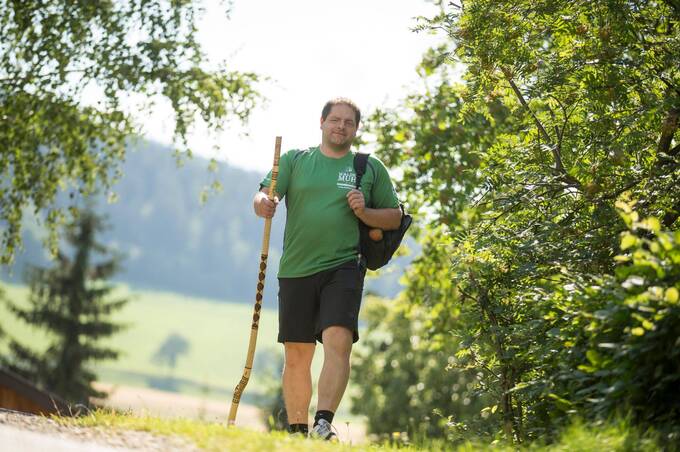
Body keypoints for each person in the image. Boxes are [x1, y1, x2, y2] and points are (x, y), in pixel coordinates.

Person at [254, 98, 401, 440]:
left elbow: (394, 217)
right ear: (321, 123)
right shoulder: (295, 160)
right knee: (297, 352)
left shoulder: (368, 167)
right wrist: (265, 205)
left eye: (349, 122)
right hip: (296, 268)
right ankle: (296, 430)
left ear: (356, 129)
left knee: (339, 339)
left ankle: (322, 422)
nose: (341, 127)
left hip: (344, 265)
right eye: (335, 120)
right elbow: (262, 196)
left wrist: (365, 212)